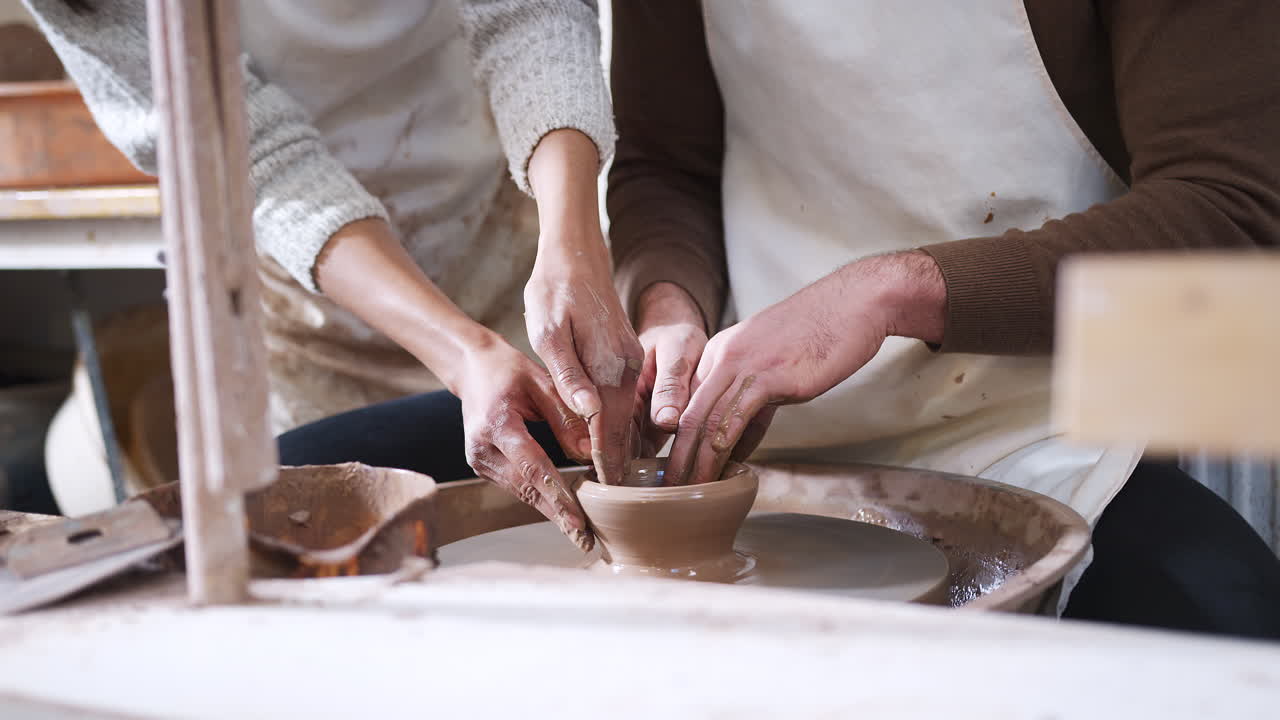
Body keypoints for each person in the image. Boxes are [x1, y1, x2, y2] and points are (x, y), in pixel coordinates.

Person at [606, 1, 1280, 638]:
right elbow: (667, 168)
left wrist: (888, 291)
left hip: (1046, 431)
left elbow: (1236, 205)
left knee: (1229, 630)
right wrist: (668, 304)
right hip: (759, 432)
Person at [25, 0, 644, 550]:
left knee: (541, 487)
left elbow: (529, 15)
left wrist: (574, 243)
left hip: (505, 214)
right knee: (326, 552)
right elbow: (259, 157)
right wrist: (464, 350)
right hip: (306, 293)